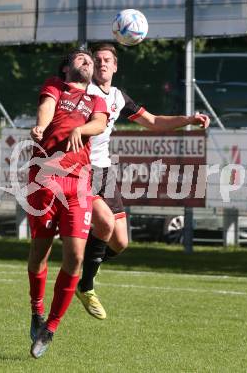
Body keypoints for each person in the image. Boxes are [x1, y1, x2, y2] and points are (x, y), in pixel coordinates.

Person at [75, 43, 210, 320]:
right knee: (106, 223)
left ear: (115, 66)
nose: (101, 64)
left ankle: (85, 271)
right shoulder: (81, 92)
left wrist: (189, 119)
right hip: (80, 169)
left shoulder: (118, 97)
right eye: (96, 60)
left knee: (121, 242)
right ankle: (85, 284)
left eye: (106, 60)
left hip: (104, 172)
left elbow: (153, 121)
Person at [27, 48, 108, 358]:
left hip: (77, 185)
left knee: (75, 256)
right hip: (44, 180)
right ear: (65, 69)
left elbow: (99, 123)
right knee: (39, 254)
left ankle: (50, 327)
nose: (86, 60)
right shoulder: (54, 86)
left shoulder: (95, 98)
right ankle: (36, 310)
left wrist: (80, 128)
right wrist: (41, 126)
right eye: (79, 57)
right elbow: (47, 108)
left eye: (89, 58)